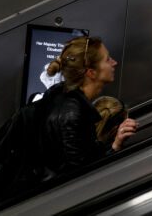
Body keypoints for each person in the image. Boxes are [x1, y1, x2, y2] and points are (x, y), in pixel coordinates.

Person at [42, 37, 137, 175]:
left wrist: (115, 144)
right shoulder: (72, 115)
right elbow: (80, 176)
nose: (114, 63)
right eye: (108, 59)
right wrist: (114, 149)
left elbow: (86, 156)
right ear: (91, 72)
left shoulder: (67, 101)